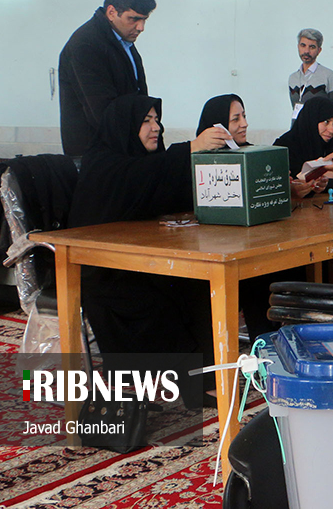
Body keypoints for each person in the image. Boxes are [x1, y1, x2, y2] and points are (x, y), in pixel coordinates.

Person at [68, 95, 230, 406]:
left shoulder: (144, 160)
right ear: (124, 126)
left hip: (143, 260)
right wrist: (190, 148)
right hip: (105, 272)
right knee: (164, 297)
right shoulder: (103, 163)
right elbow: (140, 177)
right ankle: (190, 380)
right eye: (146, 121)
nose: (156, 127)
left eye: (157, 120)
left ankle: (205, 380)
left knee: (196, 285)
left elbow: (163, 183)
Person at [59, 0, 156, 158]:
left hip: (124, 148)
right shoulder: (86, 44)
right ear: (111, 12)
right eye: (133, 19)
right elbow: (102, 113)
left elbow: (139, 100)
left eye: (144, 20)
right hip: (97, 155)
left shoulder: (124, 43)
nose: (141, 27)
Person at [273, 94, 333, 198]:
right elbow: (286, 185)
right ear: (312, 119)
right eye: (326, 122)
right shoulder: (284, 148)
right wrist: (329, 181)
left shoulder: (329, 149)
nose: (332, 130)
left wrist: (329, 181)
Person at [288, 28, 333, 122]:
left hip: (319, 131)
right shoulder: (292, 78)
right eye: (303, 45)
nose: (306, 51)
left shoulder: (329, 76)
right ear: (298, 46)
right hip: (297, 130)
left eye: (312, 47)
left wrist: (328, 130)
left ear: (319, 50)